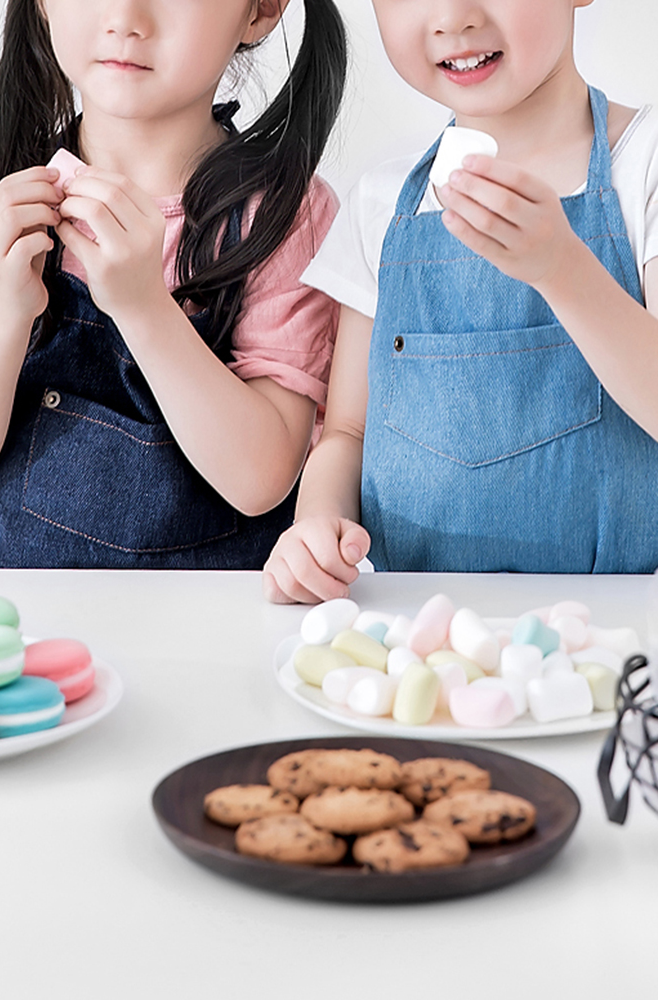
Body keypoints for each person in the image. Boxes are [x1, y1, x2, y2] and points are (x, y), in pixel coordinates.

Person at [0, 0, 346, 569]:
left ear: (260, 11)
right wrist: (6, 308)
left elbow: (261, 479)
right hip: (31, 628)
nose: (125, 16)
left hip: (218, 628)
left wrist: (143, 307)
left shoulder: (286, 214)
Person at [263, 0, 658, 604]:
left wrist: (563, 270)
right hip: (423, 633)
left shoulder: (645, 164)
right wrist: (314, 525)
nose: (450, 15)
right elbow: (346, 431)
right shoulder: (382, 204)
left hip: (618, 632)